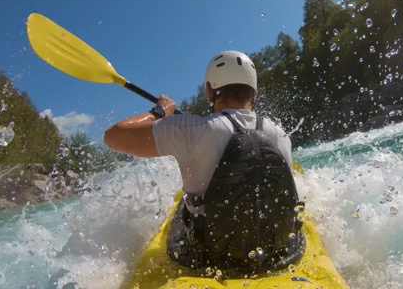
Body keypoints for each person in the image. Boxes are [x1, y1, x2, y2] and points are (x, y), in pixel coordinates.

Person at [104, 50, 304, 275]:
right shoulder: (281, 135)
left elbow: (113, 136)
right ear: (254, 92)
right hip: (275, 249)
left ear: (209, 92)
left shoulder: (191, 129)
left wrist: (160, 111)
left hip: (210, 253)